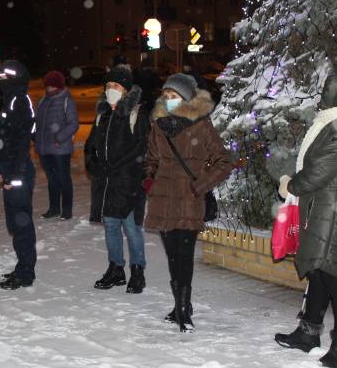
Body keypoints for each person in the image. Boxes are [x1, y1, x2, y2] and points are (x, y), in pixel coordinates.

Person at [274, 62, 337, 368]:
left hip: (333, 209)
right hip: (325, 207)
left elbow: (321, 169)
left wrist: (291, 185)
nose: (324, 91)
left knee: (334, 277)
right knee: (319, 271)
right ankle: (308, 333)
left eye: (330, 85)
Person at [142, 73, 233, 332]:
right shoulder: (158, 125)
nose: (168, 100)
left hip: (188, 201)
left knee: (184, 256)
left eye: (173, 96)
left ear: (186, 98)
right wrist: (148, 180)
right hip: (162, 201)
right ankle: (181, 305)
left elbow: (224, 162)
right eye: (166, 95)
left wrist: (199, 186)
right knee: (172, 257)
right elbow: (151, 158)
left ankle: (183, 310)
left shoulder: (200, 126)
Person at [85, 66, 150, 294]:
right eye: (108, 86)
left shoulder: (135, 114)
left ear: (126, 90)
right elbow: (91, 146)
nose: (111, 89)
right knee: (111, 226)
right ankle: (116, 268)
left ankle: (137, 271)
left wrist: (120, 168)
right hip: (106, 183)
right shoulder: (102, 114)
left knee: (131, 228)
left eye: (116, 86)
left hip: (128, 183)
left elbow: (142, 148)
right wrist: (93, 165)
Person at [0, 60, 38, 290]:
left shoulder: (20, 101)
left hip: (17, 171)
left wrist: (10, 175)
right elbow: (2, 138)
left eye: (4, 77)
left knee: (21, 223)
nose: (0, 81)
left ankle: (26, 271)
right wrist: (0, 169)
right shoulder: (11, 100)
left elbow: (19, 143)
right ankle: (22, 266)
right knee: (16, 223)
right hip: (10, 169)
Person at [35, 70, 79, 220]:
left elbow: (73, 124)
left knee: (63, 179)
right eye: (48, 86)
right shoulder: (43, 100)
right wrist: (35, 137)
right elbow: (38, 122)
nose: (50, 89)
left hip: (60, 149)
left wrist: (59, 138)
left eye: (53, 86)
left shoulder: (67, 99)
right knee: (52, 179)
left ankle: (66, 210)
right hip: (45, 148)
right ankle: (54, 208)